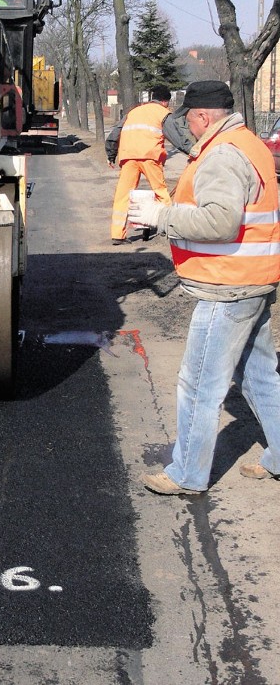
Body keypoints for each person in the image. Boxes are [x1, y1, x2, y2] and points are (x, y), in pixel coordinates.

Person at [128, 80, 280, 495]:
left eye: (189, 120)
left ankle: (187, 474)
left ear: (202, 116)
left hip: (227, 288)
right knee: (260, 375)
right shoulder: (249, 143)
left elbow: (220, 221)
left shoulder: (222, 155)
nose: (188, 129)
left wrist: (162, 216)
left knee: (198, 384)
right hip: (255, 280)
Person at [108, 85, 173, 245]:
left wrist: (111, 154)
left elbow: (114, 133)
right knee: (160, 191)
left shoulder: (133, 111)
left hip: (128, 157)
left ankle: (117, 235)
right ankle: (171, 228)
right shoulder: (164, 113)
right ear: (165, 101)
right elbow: (176, 135)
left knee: (123, 194)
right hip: (150, 156)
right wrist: (192, 152)